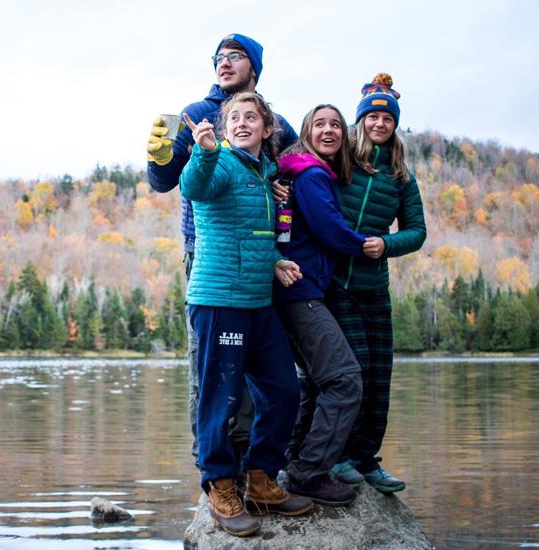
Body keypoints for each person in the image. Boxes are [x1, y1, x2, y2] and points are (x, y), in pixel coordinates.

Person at [146, 33, 297, 467]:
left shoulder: (276, 121)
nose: (225, 62)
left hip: (262, 253)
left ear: (254, 67)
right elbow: (165, 182)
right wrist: (158, 157)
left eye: (236, 56)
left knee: (257, 368)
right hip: (206, 253)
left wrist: (285, 187)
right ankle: (210, 463)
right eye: (219, 57)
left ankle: (252, 459)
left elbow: (292, 174)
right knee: (211, 368)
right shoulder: (194, 115)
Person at [180, 92, 313, 537]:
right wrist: (202, 150)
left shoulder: (265, 175)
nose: (241, 122)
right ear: (224, 128)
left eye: (250, 117)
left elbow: (256, 232)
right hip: (220, 301)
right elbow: (194, 188)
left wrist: (274, 259)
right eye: (233, 117)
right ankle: (220, 486)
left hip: (258, 302)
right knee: (222, 397)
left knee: (283, 390)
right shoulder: (217, 163)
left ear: (266, 128)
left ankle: (260, 479)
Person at [327, 73, 427, 493]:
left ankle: (368, 461)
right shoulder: (343, 159)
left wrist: (385, 244)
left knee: (380, 378)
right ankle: (339, 457)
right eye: (373, 117)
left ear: (394, 125)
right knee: (355, 372)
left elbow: (417, 231)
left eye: (387, 119)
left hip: (374, 286)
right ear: (362, 121)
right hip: (336, 283)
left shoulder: (402, 176)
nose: (379, 124)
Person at [272, 105, 368, 506]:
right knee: (344, 380)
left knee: (316, 379)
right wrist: (368, 246)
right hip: (299, 291)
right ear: (307, 131)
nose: (328, 130)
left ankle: (295, 461)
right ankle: (308, 473)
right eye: (320, 124)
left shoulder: (299, 172)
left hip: (294, 290)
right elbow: (330, 229)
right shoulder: (310, 174)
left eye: (336, 125)